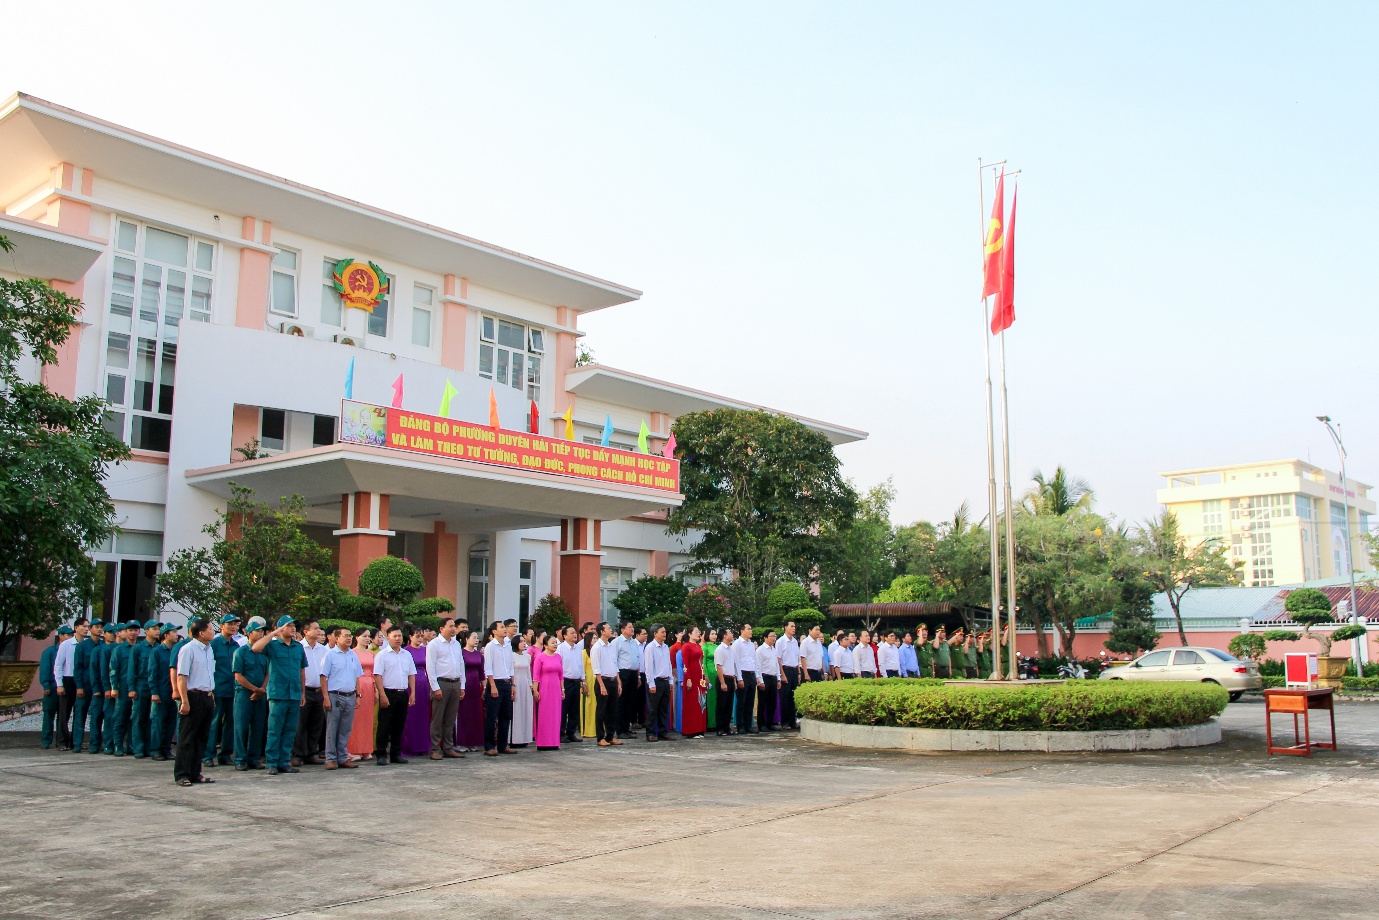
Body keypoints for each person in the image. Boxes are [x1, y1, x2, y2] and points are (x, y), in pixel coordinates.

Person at [251, 616, 308, 776]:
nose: (293, 628)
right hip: (278, 694)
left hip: (294, 693)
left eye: (294, 626)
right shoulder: (273, 646)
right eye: (289, 626)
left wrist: (302, 692)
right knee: (275, 730)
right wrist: (274, 632)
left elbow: (301, 670)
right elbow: (256, 648)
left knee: (290, 730)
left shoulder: (298, 647)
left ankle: (284, 761)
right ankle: (272, 762)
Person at [174, 617, 217, 787]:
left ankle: (195, 772)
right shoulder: (188, 649)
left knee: (201, 737)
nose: (213, 632)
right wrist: (184, 701)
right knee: (187, 737)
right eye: (210, 629)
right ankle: (182, 774)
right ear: (201, 633)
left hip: (207, 696)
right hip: (192, 696)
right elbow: (182, 677)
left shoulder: (209, 649)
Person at [321, 626, 364, 770]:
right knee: (332, 728)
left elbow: (357, 677)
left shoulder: (353, 655)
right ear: (337, 638)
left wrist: (358, 695)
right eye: (345, 635)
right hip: (335, 696)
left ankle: (343, 757)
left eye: (350, 635)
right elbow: (323, 677)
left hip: (350, 696)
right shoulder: (330, 655)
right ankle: (330, 758)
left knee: (345, 729)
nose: (349, 638)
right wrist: (326, 697)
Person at [373, 625, 416, 765]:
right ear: (388, 638)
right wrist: (382, 694)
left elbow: (411, 675)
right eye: (394, 636)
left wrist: (412, 692)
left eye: (399, 636)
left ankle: (396, 754)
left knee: (399, 725)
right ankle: (381, 754)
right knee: (384, 725)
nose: (398, 639)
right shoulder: (382, 655)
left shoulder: (406, 654)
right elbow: (378, 676)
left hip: (402, 693)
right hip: (388, 692)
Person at [425, 617, 466, 760]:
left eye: (454, 626)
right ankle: (435, 748)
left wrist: (462, 684)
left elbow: (461, 664)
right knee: (437, 718)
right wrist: (435, 687)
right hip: (441, 683)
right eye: (451, 626)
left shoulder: (456, 644)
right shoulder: (434, 644)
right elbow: (430, 667)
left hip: (455, 683)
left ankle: (448, 747)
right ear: (441, 629)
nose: (454, 628)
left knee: (450, 718)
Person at [204, 614, 241, 768]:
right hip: (217, 689)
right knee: (214, 723)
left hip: (233, 689)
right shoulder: (213, 644)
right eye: (230, 624)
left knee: (231, 723)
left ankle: (225, 754)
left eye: (235, 624)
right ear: (221, 626)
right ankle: (208, 755)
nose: (233, 627)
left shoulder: (236, 646)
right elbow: (208, 668)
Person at [232, 617, 269, 771]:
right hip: (244, 694)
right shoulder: (240, 652)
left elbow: (267, 673)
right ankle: (240, 758)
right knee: (241, 727)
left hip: (260, 694)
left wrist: (262, 689)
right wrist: (254, 689)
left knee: (258, 726)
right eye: (258, 631)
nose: (261, 633)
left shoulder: (263, 653)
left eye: (262, 631)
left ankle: (254, 758)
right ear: (249, 633)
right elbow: (238, 675)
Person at [292, 620, 328, 767]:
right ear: (306, 632)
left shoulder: (323, 650)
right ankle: (298, 754)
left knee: (316, 723)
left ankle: (311, 753)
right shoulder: (298, 647)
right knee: (300, 724)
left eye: (319, 628)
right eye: (316, 628)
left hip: (319, 690)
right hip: (304, 691)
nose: (319, 631)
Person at [482, 622, 517, 756]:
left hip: (506, 682)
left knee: (506, 715)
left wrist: (512, 685)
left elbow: (510, 666)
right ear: (494, 631)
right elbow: (488, 668)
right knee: (492, 715)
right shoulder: (490, 647)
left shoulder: (507, 645)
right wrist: (492, 686)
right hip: (495, 682)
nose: (504, 629)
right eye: (501, 627)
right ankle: (489, 745)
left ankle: (503, 745)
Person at [129, 620, 161, 758]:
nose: (157, 631)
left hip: (154, 686)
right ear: (146, 631)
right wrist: (132, 688)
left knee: (152, 718)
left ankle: (150, 747)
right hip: (141, 684)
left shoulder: (159, 647)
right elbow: (132, 669)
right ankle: (138, 747)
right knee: (138, 717)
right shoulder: (138, 648)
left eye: (158, 629)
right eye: (154, 629)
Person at [149, 623, 180, 761]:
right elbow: (152, 673)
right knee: (158, 722)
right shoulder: (156, 651)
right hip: (161, 691)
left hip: (173, 691)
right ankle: (155, 749)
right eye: (174, 632)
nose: (177, 634)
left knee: (170, 722)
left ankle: (166, 749)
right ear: (166, 635)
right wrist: (154, 692)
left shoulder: (176, 650)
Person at [401, 628, 432, 758]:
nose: (420, 639)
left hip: (424, 683)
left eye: (421, 636)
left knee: (423, 716)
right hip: (410, 683)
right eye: (417, 636)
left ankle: (423, 746)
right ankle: (408, 747)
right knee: (410, 717)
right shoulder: (406, 651)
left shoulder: (425, 650)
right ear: (410, 637)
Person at [53, 620, 83, 751]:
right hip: (67, 679)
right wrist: (59, 684)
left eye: (88, 626)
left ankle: (75, 741)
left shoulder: (85, 644)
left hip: (80, 680)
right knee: (64, 713)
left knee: (79, 712)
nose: (86, 629)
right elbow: (58, 665)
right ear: (77, 628)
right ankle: (62, 741)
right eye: (84, 626)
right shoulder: (66, 644)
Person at [347, 628, 376, 762]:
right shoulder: (352, 653)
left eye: (369, 636)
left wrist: (375, 689)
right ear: (357, 637)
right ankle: (353, 750)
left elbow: (375, 672)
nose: (367, 639)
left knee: (368, 718)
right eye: (364, 636)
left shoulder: (371, 654)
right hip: (357, 685)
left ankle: (366, 749)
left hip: (370, 685)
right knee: (356, 719)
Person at [532, 634, 564, 751]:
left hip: (556, 688)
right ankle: (543, 742)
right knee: (544, 714)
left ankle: (554, 741)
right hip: (544, 688)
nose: (555, 644)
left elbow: (561, 675)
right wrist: (535, 690)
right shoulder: (540, 657)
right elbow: (536, 676)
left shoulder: (558, 657)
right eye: (552, 642)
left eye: (556, 642)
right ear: (545, 645)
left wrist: (562, 689)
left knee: (556, 714)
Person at [108, 623, 136, 756]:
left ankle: (131, 745)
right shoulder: (119, 650)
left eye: (135, 630)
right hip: (123, 686)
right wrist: (114, 687)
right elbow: (114, 670)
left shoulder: (138, 648)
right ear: (125, 632)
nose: (133, 633)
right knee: (120, 717)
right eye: (130, 630)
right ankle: (117, 745)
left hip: (136, 687)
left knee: (134, 717)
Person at [456, 629, 485, 751]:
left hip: (475, 686)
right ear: (466, 639)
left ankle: (473, 742)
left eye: (477, 638)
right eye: (474, 637)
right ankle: (462, 742)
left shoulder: (479, 655)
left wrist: (484, 687)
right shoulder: (461, 653)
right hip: (464, 685)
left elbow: (481, 673)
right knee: (463, 713)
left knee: (475, 714)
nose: (476, 640)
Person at [71, 618, 97, 752]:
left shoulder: (102, 645)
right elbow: (78, 667)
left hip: (97, 686)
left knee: (96, 715)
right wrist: (79, 686)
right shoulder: (82, 646)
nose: (99, 629)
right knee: (80, 714)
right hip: (85, 684)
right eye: (95, 627)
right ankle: (76, 743)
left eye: (101, 627)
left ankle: (94, 743)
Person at [611, 620, 640, 739]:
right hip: (623, 673)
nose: (632, 629)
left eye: (632, 626)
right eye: (629, 627)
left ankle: (627, 728)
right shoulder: (617, 642)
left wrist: (638, 676)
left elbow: (637, 659)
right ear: (622, 630)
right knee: (621, 702)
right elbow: (614, 661)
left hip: (633, 673)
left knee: (631, 702)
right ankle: (620, 730)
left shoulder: (634, 642)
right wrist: (618, 679)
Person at [591, 622, 620, 746]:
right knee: (601, 710)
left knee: (612, 711)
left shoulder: (611, 646)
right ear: (602, 631)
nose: (611, 630)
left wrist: (619, 682)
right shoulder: (597, 647)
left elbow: (615, 665)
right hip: (603, 681)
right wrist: (602, 685)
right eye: (608, 628)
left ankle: (610, 736)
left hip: (613, 680)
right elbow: (596, 669)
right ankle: (600, 737)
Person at [89, 621, 115, 754]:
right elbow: (95, 671)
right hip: (100, 689)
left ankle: (108, 744)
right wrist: (96, 689)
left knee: (110, 717)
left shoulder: (116, 648)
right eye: (110, 632)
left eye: (114, 632)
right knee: (96, 716)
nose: (113, 635)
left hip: (112, 690)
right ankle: (94, 743)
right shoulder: (98, 650)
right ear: (104, 634)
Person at [643, 625, 672, 742]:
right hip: (655, 681)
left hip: (665, 681)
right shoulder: (650, 647)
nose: (665, 634)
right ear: (655, 634)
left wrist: (670, 680)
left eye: (665, 632)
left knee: (664, 708)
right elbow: (648, 667)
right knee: (652, 708)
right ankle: (650, 732)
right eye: (662, 632)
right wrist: (651, 684)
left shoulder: (666, 647)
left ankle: (662, 731)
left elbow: (668, 665)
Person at [556, 626, 585, 743]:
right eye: (572, 633)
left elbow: (581, 665)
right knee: (564, 708)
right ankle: (561, 733)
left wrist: (584, 681)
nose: (575, 635)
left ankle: (571, 732)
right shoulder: (560, 648)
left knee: (574, 708)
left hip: (576, 681)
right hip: (565, 681)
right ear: (564, 636)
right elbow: (558, 666)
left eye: (575, 633)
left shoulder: (578, 648)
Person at [680, 626, 708, 738]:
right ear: (690, 634)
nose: (698, 633)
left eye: (699, 632)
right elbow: (685, 664)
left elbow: (701, 662)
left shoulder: (698, 646)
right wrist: (688, 679)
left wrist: (704, 675)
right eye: (696, 632)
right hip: (691, 676)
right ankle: (691, 730)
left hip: (700, 677)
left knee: (701, 702)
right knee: (692, 703)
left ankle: (699, 729)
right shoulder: (686, 646)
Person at [38, 629, 64, 749]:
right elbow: (45, 669)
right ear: (61, 636)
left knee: (62, 716)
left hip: (64, 688)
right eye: (67, 635)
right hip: (52, 688)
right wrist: (46, 685)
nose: (70, 637)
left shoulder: (68, 650)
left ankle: (60, 740)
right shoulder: (50, 651)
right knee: (49, 715)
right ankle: (46, 740)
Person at [732, 625, 759, 734]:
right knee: (741, 701)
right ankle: (740, 725)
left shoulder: (751, 644)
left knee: (750, 701)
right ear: (742, 631)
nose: (751, 631)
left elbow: (754, 660)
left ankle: (748, 725)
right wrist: (739, 678)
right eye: (748, 629)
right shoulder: (737, 644)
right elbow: (736, 662)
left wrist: (756, 676)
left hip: (751, 673)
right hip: (742, 673)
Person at [511, 635, 534, 747]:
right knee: (516, 710)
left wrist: (531, 686)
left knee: (526, 709)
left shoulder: (527, 657)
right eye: (521, 641)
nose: (524, 643)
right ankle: (514, 739)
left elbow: (528, 673)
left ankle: (525, 738)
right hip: (516, 684)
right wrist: (512, 685)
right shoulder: (512, 656)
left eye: (524, 641)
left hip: (525, 684)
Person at [777, 621, 801, 730]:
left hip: (794, 670)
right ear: (785, 628)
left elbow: (797, 658)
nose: (793, 628)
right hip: (785, 669)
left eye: (794, 626)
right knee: (785, 697)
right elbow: (778, 659)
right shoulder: (781, 642)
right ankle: (784, 721)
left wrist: (799, 672)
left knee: (793, 697)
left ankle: (792, 721)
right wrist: (782, 674)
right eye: (791, 626)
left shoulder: (795, 641)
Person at [756, 630, 781, 732]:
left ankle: (770, 723)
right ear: (765, 638)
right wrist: (760, 681)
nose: (774, 638)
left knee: (772, 702)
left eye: (775, 636)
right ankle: (761, 724)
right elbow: (758, 666)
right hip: (764, 677)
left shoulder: (774, 650)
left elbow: (777, 665)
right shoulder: (760, 650)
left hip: (773, 677)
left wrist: (778, 678)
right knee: (762, 702)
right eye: (771, 636)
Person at [715, 628, 736, 735]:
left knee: (729, 705)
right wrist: (722, 682)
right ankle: (720, 728)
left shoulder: (731, 649)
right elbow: (719, 667)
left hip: (731, 678)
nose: (732, 635)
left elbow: (732, 666)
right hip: (723, 678)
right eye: (730, 633)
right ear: (724, 636)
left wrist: (735, 681)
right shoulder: (720, 649)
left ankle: (727, 727)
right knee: (721, 705)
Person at [580, 631, 597, 740]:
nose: (596, 640)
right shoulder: (584, 653)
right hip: (588, 681)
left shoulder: (598, 651)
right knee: (588, 705)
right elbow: (582, 669)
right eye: (593, 638)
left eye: (596, 638)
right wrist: (584, 683)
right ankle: (588, 730)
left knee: (597, 705)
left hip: (597, 681)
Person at [704, 629, 719, 733]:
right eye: (712, 634)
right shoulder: (704, 647)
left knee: (718, 699)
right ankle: (710, 723)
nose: (714, 636)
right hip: (710, 673)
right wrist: (705, 675)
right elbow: (703, 663)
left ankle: (717, 722)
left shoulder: (718, 647)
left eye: (715, 634)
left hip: (718, 673)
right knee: (710, 699)